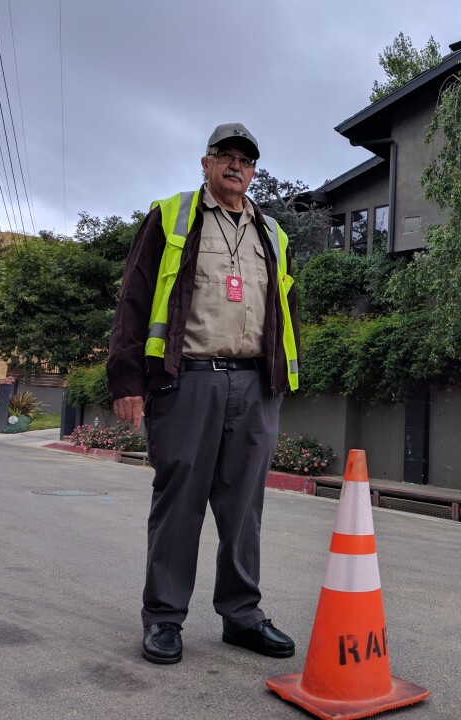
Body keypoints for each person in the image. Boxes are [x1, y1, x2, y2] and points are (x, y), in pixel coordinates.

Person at [106, 122, 300, 665]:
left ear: (254, 171)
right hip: (188, 380)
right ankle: (165, 618)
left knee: (244, 508)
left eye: (245, 159)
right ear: (206, 163)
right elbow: (135, 298)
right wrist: (126, 380)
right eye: (225, 156)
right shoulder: (173, 215)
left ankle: (241, 616)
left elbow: (284, 314)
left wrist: (280, 380)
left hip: (254, 385)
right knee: (180, 502)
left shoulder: (272, 233)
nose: (235, 166)